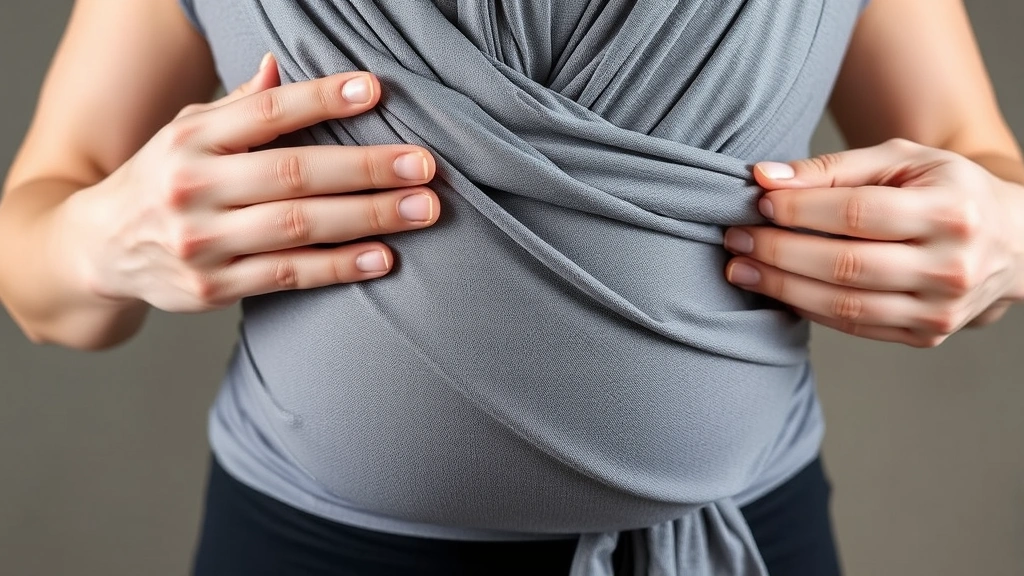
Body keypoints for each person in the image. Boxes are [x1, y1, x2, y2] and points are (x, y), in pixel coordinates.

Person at [1, 0, 1021, 575]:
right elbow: (37, 261)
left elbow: (983, 157)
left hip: (739, 545)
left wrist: (1004, 238)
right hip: (309, 554)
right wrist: (95, 244)